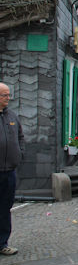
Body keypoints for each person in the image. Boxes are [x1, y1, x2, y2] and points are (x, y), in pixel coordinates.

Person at [0, 83, 24, 256]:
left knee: (5, 207)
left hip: (9, 171)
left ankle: (2, 243)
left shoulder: (12, 116)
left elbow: (20, 137)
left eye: (8, 95)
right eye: (4, 95)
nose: (8, 98)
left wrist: (20, 154)